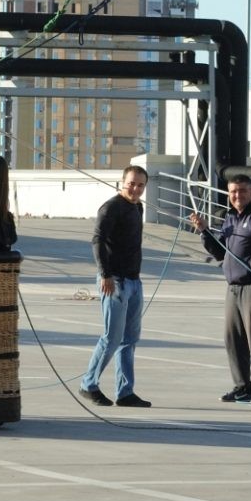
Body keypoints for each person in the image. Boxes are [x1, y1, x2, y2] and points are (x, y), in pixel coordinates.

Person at [189, 173, 251, 403]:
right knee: (232, 337)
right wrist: (205, 231)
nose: (237, 195)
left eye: (242, 190)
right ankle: (243, 387)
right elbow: (221, 253)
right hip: (234, 287)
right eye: (233, 191)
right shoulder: (230, 217)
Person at [78, 165, 151, 408]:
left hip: (133, 280)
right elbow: (97, 240)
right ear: (122, 182)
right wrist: (105, 274)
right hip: (114, 281)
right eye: (131, 183)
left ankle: (125, 391)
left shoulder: (137, 207)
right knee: (112, 337)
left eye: (140, 185)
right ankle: (89, 384)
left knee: (129, 339)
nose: (135, 189)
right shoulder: (111, 207)